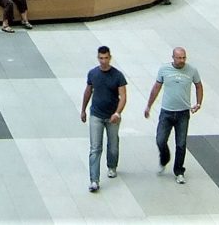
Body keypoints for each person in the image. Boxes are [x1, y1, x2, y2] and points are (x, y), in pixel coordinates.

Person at [143, 47, 203, 185]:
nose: (182, 60)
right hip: (167, 112)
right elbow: (156, 88)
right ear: (173, 57)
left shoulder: (192, 70)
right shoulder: (164, 70)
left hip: (183, 113)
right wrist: (149, 106)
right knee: (160, 139)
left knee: (181, 144)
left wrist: (198, 103)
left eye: (184, 58)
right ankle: (164, 158)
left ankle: (179, 171)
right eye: (179, 58)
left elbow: (199, 86)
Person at [81, 46, 129, 193]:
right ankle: (94, 180)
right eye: (101, 58)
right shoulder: (93, 73)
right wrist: (83, 109)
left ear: (110, 57)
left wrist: (118, 113)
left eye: (106, 58)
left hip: (112, 116)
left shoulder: (117, 75)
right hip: (96, 114)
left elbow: (123, 96)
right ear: (98, 58)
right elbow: (88, 91)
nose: (103, 61)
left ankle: (112, 166)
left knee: (113, 144)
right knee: (95, 147)